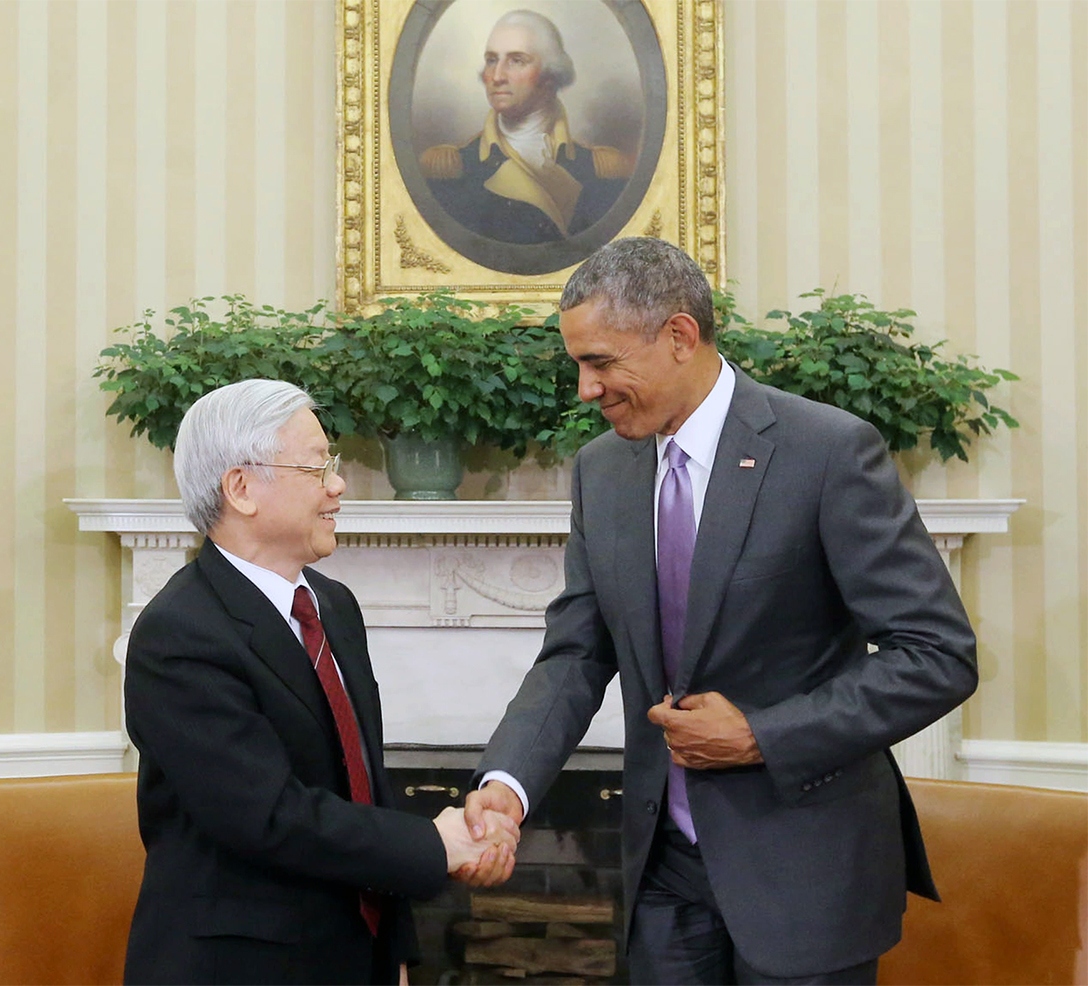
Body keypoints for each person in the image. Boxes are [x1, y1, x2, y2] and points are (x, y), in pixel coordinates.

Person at [461, 238, 978, 984]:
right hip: (663, 873)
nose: (585, 389)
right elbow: (577, 653)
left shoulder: (826, 452)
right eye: (577, 364)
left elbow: (936, 655)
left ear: (679, 335)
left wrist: (763, 735)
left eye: (600, 363)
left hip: (803, 871)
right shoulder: (601, 471)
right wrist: (506, 787)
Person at [123, 379, 518, 985]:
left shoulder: (333, 606)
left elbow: (366, 789)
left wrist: (396, 955)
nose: (338, 486)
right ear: (241, 488)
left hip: (354, 958)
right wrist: (433, 846)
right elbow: (269, 817)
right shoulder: (179, 633)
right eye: (317, 468)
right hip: (240, 968)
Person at [419, 9, 631, 244]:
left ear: (550, 74)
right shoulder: (450, 170)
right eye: (492, 60)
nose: (497, 76)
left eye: (516, 60)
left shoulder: (601, 170)